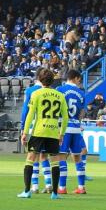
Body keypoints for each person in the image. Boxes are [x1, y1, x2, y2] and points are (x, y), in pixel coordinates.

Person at [18, 68, 69, 200]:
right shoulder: (60, 95)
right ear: (53, 81)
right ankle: (55, 193)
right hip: (53, 132)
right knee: (55, 162)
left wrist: (25, 132)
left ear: (40, 80)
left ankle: (27, 191)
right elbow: (65, 117)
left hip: (39, 131)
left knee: (30, 159)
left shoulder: (36, 94)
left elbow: (30, 114)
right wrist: (61, 133)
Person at [20, 69, 52, 194]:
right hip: (50, 128)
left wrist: (23, 128)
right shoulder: (53, 92)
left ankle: (34, 185)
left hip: (35, 127)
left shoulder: (30, 91)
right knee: (45, 156)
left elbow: (25, 111)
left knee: (33, 156)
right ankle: (49, 183)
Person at [56, 69, 87, 195]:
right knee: (77, 157)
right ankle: (81, 187)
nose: (80, 81)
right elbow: (82, 112)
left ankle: (62, 188)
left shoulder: (60, 90)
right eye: (79, 79)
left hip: (64, 127)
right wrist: (78, 123)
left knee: (61, 157)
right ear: (75, 78)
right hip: (76, 128)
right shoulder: (81, 93)